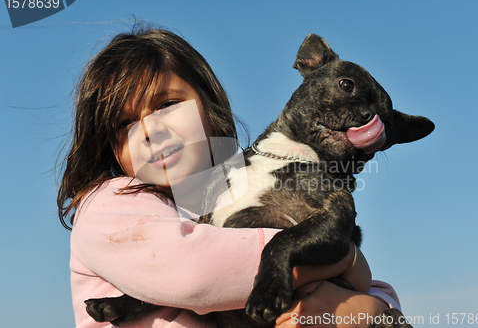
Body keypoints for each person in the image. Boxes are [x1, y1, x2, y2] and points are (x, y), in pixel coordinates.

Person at [58, 23, 400, 328]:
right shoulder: (110, 202)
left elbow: (374, 299)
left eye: (166, 105)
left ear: (208, 104)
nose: (149, 129)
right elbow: (193, 274)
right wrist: (344, 261)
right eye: (124, 123)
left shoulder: (229, 188)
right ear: (109, 145)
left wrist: (370, 308)